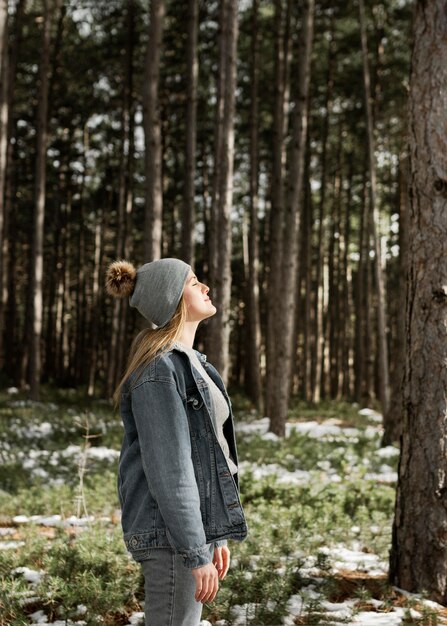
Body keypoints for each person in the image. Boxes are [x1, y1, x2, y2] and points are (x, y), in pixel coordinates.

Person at [105, 257, 248, 626]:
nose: (205, 287)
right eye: (194, 281)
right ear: (173, 299)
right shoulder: (158, 370)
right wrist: (195, 550)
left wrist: (215, 538)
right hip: (170, 534)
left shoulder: (194, 364)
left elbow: (209, 457)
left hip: (188, 532)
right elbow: (171, 469)